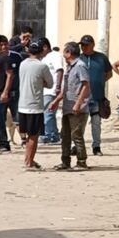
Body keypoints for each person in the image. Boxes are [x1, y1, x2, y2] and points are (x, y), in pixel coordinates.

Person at [50, 42, 91, 170]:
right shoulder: (70, 67)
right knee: (65, 135)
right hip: (68, 107)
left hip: (77, 107)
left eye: (65, 52)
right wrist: (56, 100)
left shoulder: (80, 66)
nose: (63, 55)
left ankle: (81, 161)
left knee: (76, 135)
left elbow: (86, 85)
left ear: (69, 52)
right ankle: (65, 161)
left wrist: (78, 103)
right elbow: (66, 88)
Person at [18, 41, 53, 170]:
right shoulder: (42, 66)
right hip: (35, 105)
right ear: (41, 51)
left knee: (27, 136)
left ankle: (28, 159)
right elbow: (50, 84)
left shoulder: (22, 64)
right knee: (34, 136)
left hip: (22, 104)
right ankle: (29, 162)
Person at [79, 35, 112, 156]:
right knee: (80, 123)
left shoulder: (101, 58)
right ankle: (76, 145)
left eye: (86, 45)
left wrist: (99, 82)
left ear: (92, 45)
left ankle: (96, 146)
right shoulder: (79, 58)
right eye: (82, 45)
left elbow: (109, 73)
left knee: (96, 123)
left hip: (97, 96)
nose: (84, 47)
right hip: (81, 97)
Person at [40, 39, 63, 145]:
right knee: (47, 112)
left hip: (51, 89)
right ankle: (52, 134)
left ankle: (51, 135)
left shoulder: (55, 56)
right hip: (44, 90)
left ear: (45, 47)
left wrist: (57, 86)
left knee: (48, 112)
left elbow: (59, 70)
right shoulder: (44, 58)